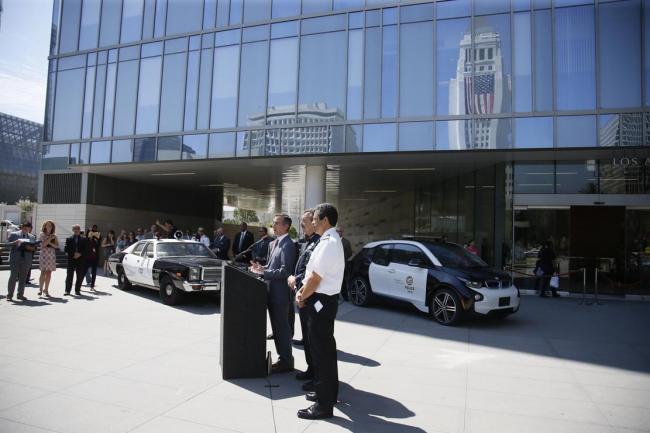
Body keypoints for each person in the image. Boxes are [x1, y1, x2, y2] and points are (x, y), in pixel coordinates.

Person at [295, 203, 344, 420]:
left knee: (322, 352)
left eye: (315, 218)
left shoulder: (329, 243)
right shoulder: (328, 241)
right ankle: (326, 394)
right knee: (323, 351)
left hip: (321, 302)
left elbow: (315, 278)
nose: (312, 221)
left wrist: (302, 295)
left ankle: (324, 406)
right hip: (321, 301)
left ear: (325, 220)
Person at [250, 215, 297, 374]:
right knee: (276, 329)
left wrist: (265, 273)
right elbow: (271, 266)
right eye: (273, 223)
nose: (273, 226)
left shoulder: (288, 245)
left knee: (282, 329)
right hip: (270, 292)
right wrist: (261, 269)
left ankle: (286, 361)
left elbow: (285, 271)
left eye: (276, 223)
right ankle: (282, 359)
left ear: (286, 226)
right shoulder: (273, 243)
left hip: (281, 295)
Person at [288, 209, 320, 377]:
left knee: (312, 338)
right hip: (301, 292)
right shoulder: (308, 241)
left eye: (305, 221)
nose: (302, 225)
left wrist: (296, 278)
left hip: (309, 294)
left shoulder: (319, 242)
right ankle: (311, 369)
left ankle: (315, 372)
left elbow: (314, 271)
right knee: (307, 337)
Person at [6, 222, 37, 301]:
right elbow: (6, 244)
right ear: (21, 227)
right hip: (15, 258)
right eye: (24, 228)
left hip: (26, 259)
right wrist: (14, 243)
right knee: (13, 277)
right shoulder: (14, 234)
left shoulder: (32, 237)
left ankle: (20, 295)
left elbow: (34, 248)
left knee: (23, 278)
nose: (26, 230)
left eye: (28, 229)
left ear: (30, 229)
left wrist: (31, 248)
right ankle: (9, 295)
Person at [64, 224, 88, 296]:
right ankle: (67, 291)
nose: (77, 230)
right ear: (73, 230)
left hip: (80, 259)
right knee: (69, 275)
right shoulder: (69, 239)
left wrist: (80, 254)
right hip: (71, 259)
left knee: (80, 275)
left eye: (78, 229)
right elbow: (66, 249)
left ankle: (77, 290)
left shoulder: (84, 239)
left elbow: (86, 249)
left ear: (80, 230)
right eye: (75, 229)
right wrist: (74, 254)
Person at [38, 220, 59, 297]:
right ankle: (40, 289)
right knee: (43, 272)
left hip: (51, 255)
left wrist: (50, 241)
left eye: (50, 225)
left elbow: (57, 246)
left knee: (49, 273)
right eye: (47, 225)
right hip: (44, 254)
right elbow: (43, 244)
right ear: (44, 226)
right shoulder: (42, 234)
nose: (49, 227)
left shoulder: (54, 235)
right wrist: (50, 239)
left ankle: (46, 290)